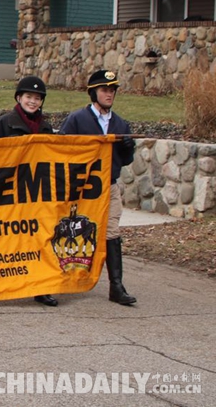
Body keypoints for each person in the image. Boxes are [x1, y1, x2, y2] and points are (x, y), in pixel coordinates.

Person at [59, 70, 137, 306]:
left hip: (109, 187)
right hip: (81, 189)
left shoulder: (120, 123)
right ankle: (61, 279)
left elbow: (124, 160)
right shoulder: (77, 120)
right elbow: (62, 150)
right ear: (94, 93)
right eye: (105, 90)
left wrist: (127, 148)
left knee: (112, 231)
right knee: (69, 232)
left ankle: (116, 285)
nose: (109, 94)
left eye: (112, 90)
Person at [0, 76, 59, 308]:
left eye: (37, 98)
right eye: (29, 97)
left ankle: (41, 287)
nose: (33, 102)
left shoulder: (46, 127)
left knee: (40, 240)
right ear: (19, 98)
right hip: (9, 193)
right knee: (6, 239)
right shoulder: (4, 123)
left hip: (36, 194)